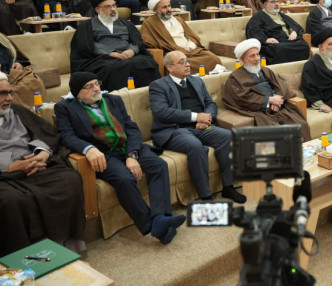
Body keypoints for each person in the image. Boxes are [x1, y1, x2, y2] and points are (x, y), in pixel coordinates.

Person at [56, 72, 186, 244]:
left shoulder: (113, 100)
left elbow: (131, 128)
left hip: (128, 146)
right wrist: (89, 149)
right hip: (103, 153)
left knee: (158, 165)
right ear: (77, 92)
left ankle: (161, 217)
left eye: (97, 83)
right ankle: (153, 225)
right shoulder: (65, 108)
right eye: (89, 86)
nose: (96, 88)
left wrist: (132, 155)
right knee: (125, 179)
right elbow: (67, 136)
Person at [0, 71, 86, 255]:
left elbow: (44, 133)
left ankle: (67, 246)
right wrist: (8, 166)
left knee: (69, 180)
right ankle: (24, 258)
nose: (9, 98)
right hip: (5, 176)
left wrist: (42, 153)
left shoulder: (17, 110)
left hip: (34, 165)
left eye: (10, 92)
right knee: (11, 201)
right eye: (3, 94)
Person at [149, 51, 245, 203]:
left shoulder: (197, 81)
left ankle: (228, 186)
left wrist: (207, 118)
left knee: (227, 136)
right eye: (182, 62)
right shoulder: (158, 86)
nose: (187, 65)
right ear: (170, 68)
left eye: (187, 61)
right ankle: (205, 196)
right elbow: (161, 112)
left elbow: (210, 104)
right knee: (195, 146)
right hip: (175, 129)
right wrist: (195, 117)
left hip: (202, 127)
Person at [70, 0, 160, 91]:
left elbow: (137, 41)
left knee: (146, 62)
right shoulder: (87, 26)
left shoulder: (126, 23)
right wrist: (110, 53)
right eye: (108, 6)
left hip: (128, 56)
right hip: (102, 58)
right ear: (97, 9)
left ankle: (150, 93)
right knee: (113, 67)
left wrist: (132, 50)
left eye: (114, 5)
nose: (113, 9)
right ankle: (117, 97)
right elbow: (85, 46)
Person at [222, 39, 310, 141]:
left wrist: (277, 100)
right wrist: (269, 101)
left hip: (279, 107)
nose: (256, 58)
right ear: (243, 59)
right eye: (252, 56)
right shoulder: (236, 77)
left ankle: (306, 150)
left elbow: (280, 86)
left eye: (257, 55)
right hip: (259, 111)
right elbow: (242, 98)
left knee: (301, 124)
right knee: (277, 134)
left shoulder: (265, 70)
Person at [140, 0, 221, 72]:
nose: (168, 9)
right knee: (181, 64)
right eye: (164, 7)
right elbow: (148, 42)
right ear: (155, 10)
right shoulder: (149, 23)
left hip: (191, 51)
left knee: (213, 59)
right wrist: (176, 49)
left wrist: (190, 47)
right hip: (173, 53)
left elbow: (192, 37)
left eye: (169, 6)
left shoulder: (178, 19)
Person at [245, 0, 310, 65]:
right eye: (273, 2)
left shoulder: (282, 15)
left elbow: (297, 27)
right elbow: (253, 33)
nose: (276, 4)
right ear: (265, 4)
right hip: (276, 44)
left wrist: (294, 31)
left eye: (278, 1)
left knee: (304, 45)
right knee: (279, 49)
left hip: (289, 41)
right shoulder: (258, 17)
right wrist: (266, 40)